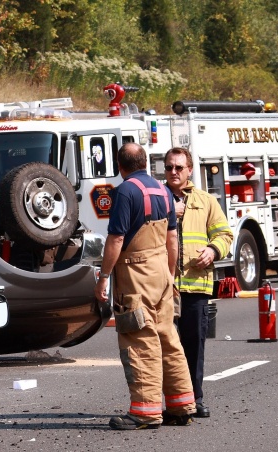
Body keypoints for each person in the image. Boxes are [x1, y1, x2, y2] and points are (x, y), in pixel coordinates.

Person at [94, 143, 196, 430]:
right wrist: (169, 276)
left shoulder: (125, 191)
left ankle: (146, 412)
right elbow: (172, 239)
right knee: (167, 338)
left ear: (120, 165)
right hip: (162, 273)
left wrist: (103, 277)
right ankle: (182, 405)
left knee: (139, 340)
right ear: (145, 162)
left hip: (135, 276)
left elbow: (115, 240)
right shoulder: (164, 191)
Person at [163, 147, 233, 419]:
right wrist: (169, 210)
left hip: (196, 286)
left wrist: (214, 250)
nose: (173, 172)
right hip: (165, 287)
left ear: (190, 170)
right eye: (169, 167)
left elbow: (225, 235)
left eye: (179, 167)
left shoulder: (206, 202)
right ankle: (172, 402)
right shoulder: (157, 199)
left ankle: (195, 399)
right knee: (167, 348)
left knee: (194, 345)